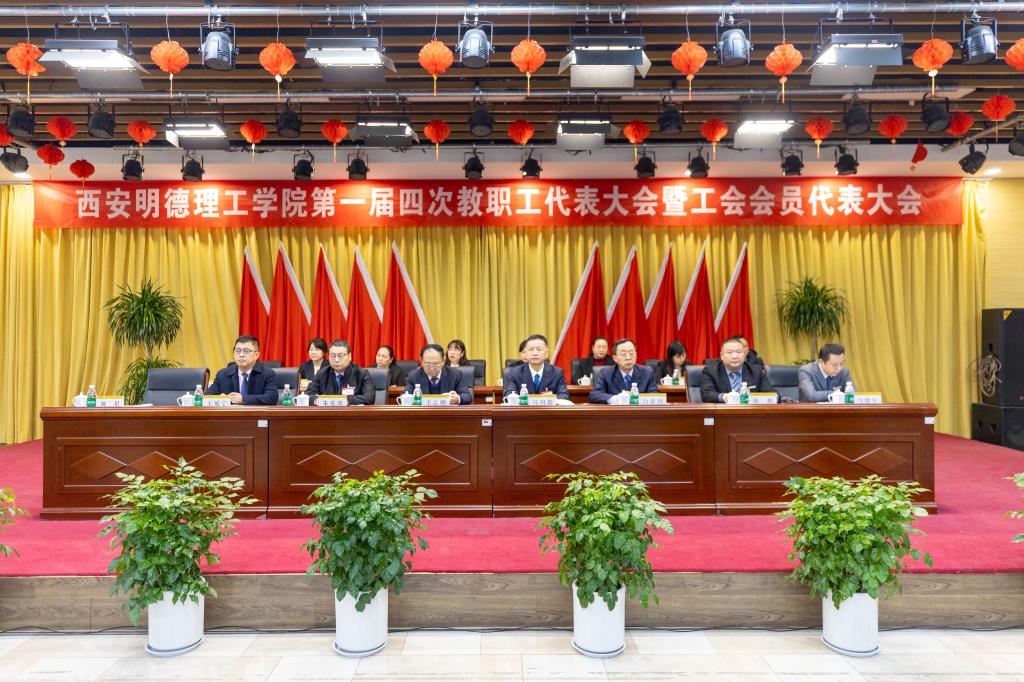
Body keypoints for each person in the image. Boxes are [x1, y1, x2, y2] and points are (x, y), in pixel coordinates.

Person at [700, 336, 776, 403]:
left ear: (744, 354)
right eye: (729, 352)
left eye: (739, 352)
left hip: (750, 412)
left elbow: (773, 395)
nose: (735, 356)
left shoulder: (756, 371)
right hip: (723, 412)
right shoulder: (711, 371)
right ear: (722, 355)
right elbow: (706, 394)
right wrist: (724, 397)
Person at [207, 335, 279, 405]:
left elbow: (272, 397)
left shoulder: (268, 374)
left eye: (246, 351)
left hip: (256, 413)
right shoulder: (222, 374)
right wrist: (220, 398)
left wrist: (243, 399)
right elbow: (208, 396)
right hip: (230, 413)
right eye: (238, 351)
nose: (241, 355)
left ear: (256, 355)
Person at [304, 339, 374, 405]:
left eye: (340, 356)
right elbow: (306, 396)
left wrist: (345, 401)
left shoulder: (362, 374)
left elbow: (369, 398)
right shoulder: (321, 374)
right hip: (327, 412)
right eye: (333, 356)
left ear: (349, 356)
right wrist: (317, 400)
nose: (336, 360)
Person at [589, 338, 658, 404]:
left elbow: (655, 394)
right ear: (615, 358)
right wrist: (615, 399)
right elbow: (594, 395)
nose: (628, 357)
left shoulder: (647, 372)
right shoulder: (606, 373)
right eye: (623, 354)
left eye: (631, 353)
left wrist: (637, 398)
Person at [503, 334, 569, 400]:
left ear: (546, 353)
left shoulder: (557, 372)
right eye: (531, 349)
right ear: (526, 353)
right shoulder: (515, 372)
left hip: (548, 406)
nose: (535, 353)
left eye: (539, 349)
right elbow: (509, 393)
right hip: (524, 406)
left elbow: (563, 395)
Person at [405, 343, 474, 405]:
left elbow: (467, 396)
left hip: (447, 413)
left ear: (443, 361)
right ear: (422, 361)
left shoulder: (455, 374)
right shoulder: (414, 376)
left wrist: (457, 398)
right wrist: (409, 398)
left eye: (436, 364)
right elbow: (405, 395)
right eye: (427, 364)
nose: (432, 368)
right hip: (423, 413)